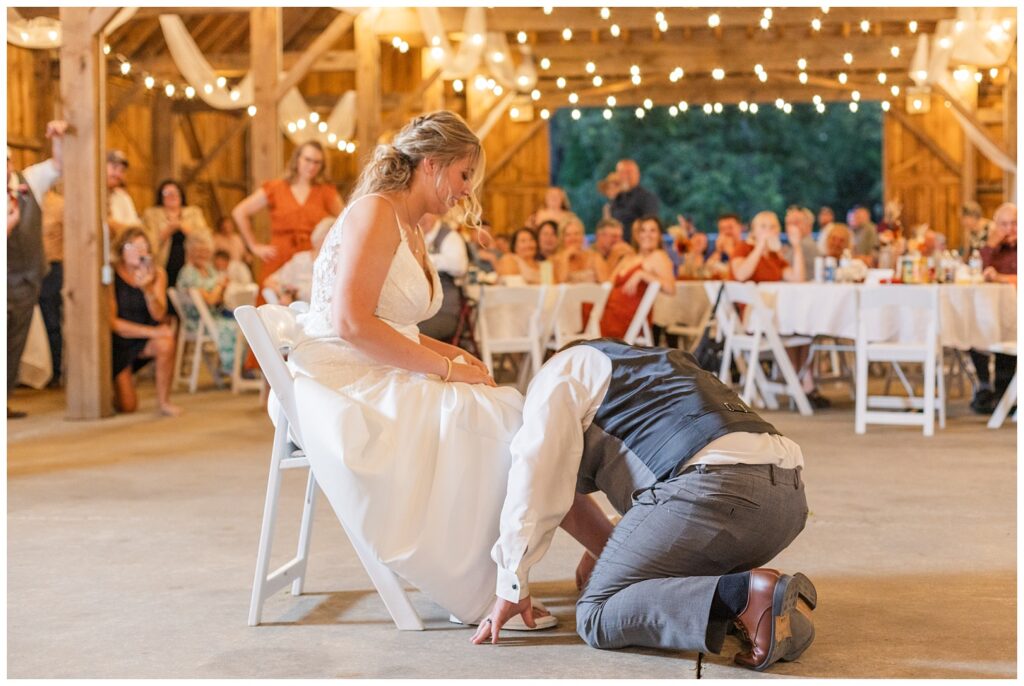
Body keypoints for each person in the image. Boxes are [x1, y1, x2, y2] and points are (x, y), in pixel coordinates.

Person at [287, 110, 593, 627]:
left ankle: (564, 560)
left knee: (507, 409)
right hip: (341, 378)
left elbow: (394, 324)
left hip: (374, 363)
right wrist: (444, 371)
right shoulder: (374, 213)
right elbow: (350, 323)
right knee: (498, 419)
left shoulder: (411, 225)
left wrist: (452, 355)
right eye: (464, 174)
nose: (466, 188)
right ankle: (503, 580)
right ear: (432, 165)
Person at [472, 339, 817, 673]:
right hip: (787, 500)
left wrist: (512, 582)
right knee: (668, 586)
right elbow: (567, 493)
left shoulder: (557, 373)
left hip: (716, 490)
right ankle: (774, 611)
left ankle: (744, 596)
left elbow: (536, 471)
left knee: (596, 612)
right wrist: (607, 552)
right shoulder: (648, 365)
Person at [7, 121, 66, 419]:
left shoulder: (28, 181)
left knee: (15, 340)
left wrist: (58, 136)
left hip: (26, 278)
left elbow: (58, 165)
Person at [231, 140, 343, 288]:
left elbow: (347, 220)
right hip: (279, 257)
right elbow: (239, 211)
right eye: (308, 159)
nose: (312, 166)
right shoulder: (275, 188)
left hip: (310, 262)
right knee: (271, 304)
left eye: (317, 162)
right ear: (297, 158)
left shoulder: (327, 192)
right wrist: (254, 246)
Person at [109, 228, 181, 416]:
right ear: (121, 250)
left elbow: (158, 315)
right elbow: (113, 323)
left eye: (143, 246)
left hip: (143, 341)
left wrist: (147, 289)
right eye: (132, 246)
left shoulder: (157, 273)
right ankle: (114, 386)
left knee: (166, 343)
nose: (138, 251)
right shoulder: (111, 275)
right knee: (127, 406)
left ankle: (164, 402)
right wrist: (153, 332)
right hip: (119, 343)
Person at [969, 202, 1017, 414]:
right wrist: (990, 246)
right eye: (1004, 224)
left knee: (1008, 327)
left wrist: (1000, 278)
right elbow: (976, 272)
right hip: (991, 311)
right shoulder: (992, 249)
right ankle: (985, 386)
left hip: (1017, 312)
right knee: (973, 326)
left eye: (1014, 223)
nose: (1010, 229)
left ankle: (1004, 391)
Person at [599, 215, 675, 338]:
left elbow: (670, 289)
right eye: (643, 230)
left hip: (627, 318)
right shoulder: (629, 257)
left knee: (576, 313)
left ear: (660, 235)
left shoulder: (658, 256)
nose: (647, 235)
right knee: (580, 305)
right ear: (637, 235)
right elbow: (608, 283)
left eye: (652, 230)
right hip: (611, 312)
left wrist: (642, 274)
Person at [175, 232, 239, 374]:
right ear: (190, 252)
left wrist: (221, 288)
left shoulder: (209, 270)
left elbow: (216, 296)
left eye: (206, 251)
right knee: (240, 329)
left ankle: (235, 367)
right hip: (199, 322)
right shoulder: (188, 273)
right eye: (199, 251)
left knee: (245, 323)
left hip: (213, 317)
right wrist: (220, 286)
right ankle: (233, 369)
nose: (203, 254)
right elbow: (210, 299)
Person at [142, 179, 213, 288]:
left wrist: (182, 227)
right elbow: (149, 244)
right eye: (167, 193)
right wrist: (168, 230)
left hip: (190, 268)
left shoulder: (194, 213)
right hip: (163, 265)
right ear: (161, 196)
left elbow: (204, 239)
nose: (172, 196)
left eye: (175, 193)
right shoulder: (151, 215)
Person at [418, 212, 469, 342]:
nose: (422, 218)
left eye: (426, 213)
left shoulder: (450, 237)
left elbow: (459, 266)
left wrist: (423, 259)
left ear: (437, 215)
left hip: (444, 312)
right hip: (418, 311)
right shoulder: (415, 235)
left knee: (409, 333)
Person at [263, 217, 333, 305]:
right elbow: (269, 282)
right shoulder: (300, 260)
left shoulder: (336, 264)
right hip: (297, 309)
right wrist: (284, 292)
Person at [730, 211, 805, 283]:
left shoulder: (775, 256)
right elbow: (740, 276)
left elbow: (797, 279)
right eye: (763, 226)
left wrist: (797, 246)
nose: (768, 230)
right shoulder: (743, 247)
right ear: (753, 231)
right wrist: (760, 246)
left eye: (773, 226)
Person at [39, 186, 64, 388]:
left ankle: (54, 373)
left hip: (52, 267)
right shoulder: (20, 198)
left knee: (51, 321)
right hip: (20, 269)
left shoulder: (58, 203)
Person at [609, 159, 660, 243]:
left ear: (638, 174)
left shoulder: (647, 197)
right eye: (621, 173)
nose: (625, 176)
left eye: (628, 172)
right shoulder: (616, 199)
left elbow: (650, 225)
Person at [552, 218, 607, 284]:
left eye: (576, 234)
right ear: (562, 238)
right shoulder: (554, 260)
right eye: (568, 235)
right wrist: (566, 257)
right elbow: (561, 283)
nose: (573, 238)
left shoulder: (594, 257)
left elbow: (605, 284)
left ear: (582, 236)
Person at [105, 150, 142, 236]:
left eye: (122, 171)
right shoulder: (90, 195)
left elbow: (135, 230)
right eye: (114, 168)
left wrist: (113, 225)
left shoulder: (123, 197)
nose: (118, 174)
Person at [784, 206, 819, 281]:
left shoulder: (804, 245)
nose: (791, 227)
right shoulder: (797, 245)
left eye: (796, 223)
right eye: (788, 223)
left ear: (809, 226)